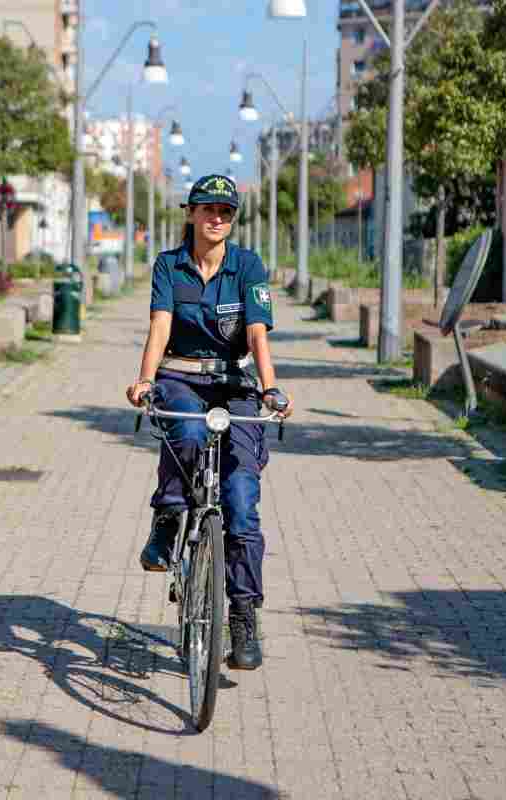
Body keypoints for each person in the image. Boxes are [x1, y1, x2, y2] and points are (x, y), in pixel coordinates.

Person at [125, 173, 293, 671]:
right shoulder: (168, 266)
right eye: (208, 209)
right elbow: (160, 326)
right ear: (191, 214)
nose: (217, 218)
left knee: (241, 502)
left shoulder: (247, 266)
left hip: (236, 384)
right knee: (188, 431)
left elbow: (258, 335)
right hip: (180, 375)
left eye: (226, 211)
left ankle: (242, 616)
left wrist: (271, 387)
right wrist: (143, 379)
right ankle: (168, 518)